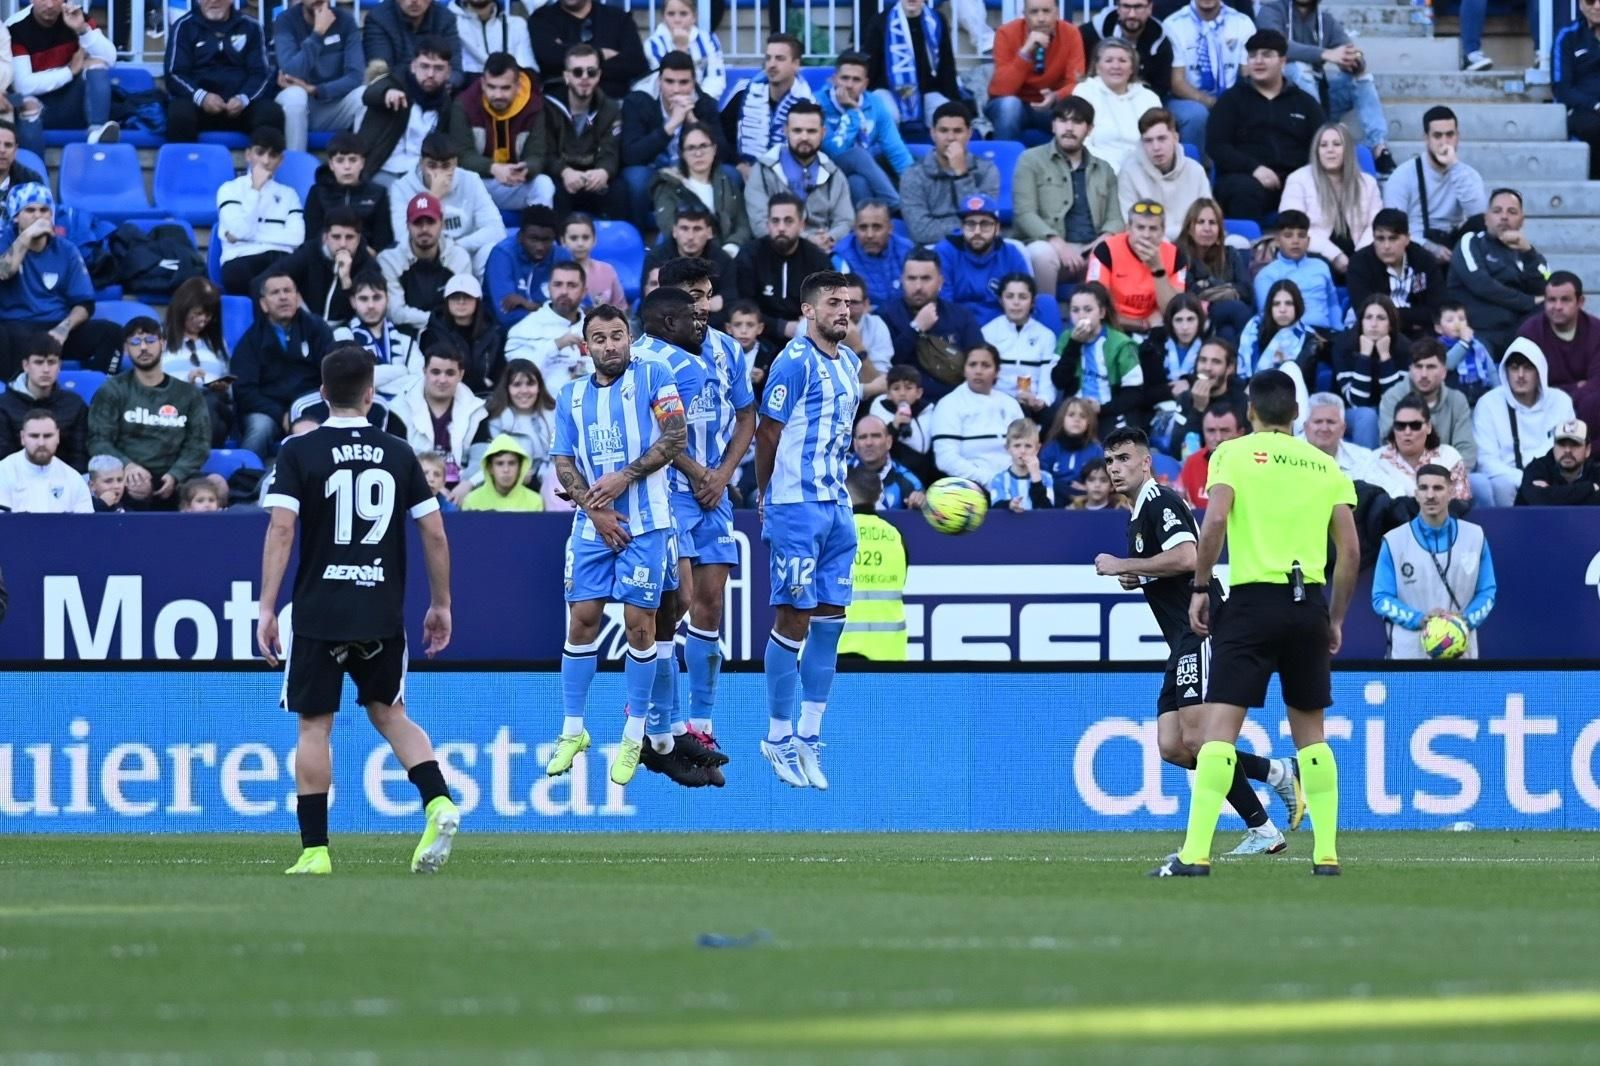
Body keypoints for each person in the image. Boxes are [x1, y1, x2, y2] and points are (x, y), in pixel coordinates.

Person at [257, 345, 460, 877]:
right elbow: (435, 534)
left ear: (323, 394)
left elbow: (281, 528)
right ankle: (438, 800)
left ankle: (315, 851)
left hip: (321, 608)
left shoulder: (298, 451)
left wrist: (267, 607)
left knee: (313, 727)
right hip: (381, 606)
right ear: (371, 393)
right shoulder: (399, 452)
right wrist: (440, 604)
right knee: (391, 713)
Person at [1150, 369, 1358, 878]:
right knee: (1312, 736)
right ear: (1295, 415)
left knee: (1219, 734)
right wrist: (1333, 617)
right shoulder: (1324, 464)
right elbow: (1350, 551)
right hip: (1307, 600)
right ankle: (1326, 854)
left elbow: (1216, 520)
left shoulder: (1233, 455)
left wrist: (1200, 587)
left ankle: (1195, 854)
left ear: (1250, 410)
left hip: (1250, 604)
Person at [1099, 426, 1302, 856]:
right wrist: (1139, 575)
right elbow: (1168, 565)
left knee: (1203, 740)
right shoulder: (1138, 515)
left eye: (1124, 458)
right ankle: (1279, 773)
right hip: (1180, 641)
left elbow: (1190, 557)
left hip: (1203, 630)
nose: (1116, 468)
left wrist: (1124, 563)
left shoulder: (1161, 500)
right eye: (1110, 461)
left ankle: (1263, 830)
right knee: (1173, 746)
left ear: (1146, 461)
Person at [544, 304, 687, 787]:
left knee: (639, 626)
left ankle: (633, 733)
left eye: (617, 335)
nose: (609, 345)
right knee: (581, 620)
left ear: (631, 338)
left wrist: (624, 476)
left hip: (646, 525)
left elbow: (675, 434)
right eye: (599, 338)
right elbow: (563, 461)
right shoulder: (571, 396)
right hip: (592, 526)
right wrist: (595, 509)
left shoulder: (654, 375)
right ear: (586, 346)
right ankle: (572, 730)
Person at [754, 270, 861, 790]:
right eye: (833, 302)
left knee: (831, 621)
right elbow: (767, 433)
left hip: (836, 506)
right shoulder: (793, 362)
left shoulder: (853, 364)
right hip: (796, 505)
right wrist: (766, 496)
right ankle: (776, 735)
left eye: (849, 302)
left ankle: (808, 736)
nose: (843, 310)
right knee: (793, 618)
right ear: (808, 311)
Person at [659, 257, 757, 756]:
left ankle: (700, 722)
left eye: (706, 294)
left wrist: (723, 475)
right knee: (674, 601)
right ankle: (657, 714)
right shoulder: (648, 356)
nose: (702, 305)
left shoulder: (727, 351)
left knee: (711, 604)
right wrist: (701, 474)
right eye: (691, 296)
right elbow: (650, 433)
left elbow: (747, 416)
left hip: (714, 494)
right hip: (666, 490)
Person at [1372, 464, 1496, 659]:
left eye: (1438, 488)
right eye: (1424, 488)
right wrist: (1419, 619)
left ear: (1451, 492)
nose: (1430, 495)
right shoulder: (1394, 541)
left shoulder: (1475, 536)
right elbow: (1381, 598)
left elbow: (1487, 592)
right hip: (1409, 656)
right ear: (1416, 493)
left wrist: (1463, 622)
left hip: (1462, 655)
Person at [87, 318, 212, 510]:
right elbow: (98, 440)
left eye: (150, 340)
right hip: (127, 476)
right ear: (126, 349)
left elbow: (199, 444)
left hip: (177, 477)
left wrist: (176, 474)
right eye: (135, 342)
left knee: (216, 485)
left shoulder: (188, 394)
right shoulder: (112, 390)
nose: (143, 347)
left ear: (163, 344)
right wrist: (127, 466)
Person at [1257, 0, 1395, 174]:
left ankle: (1379, 148)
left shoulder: (1325, 20)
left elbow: (1348, 48)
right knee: (1298, 67)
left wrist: (1355, 60)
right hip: (1286, 103)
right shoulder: (1271, 11)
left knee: (1362, 77)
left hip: (1320, 98)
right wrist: (1326, 54)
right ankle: (1318, 138)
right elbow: (1276, 45)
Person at [0, 183, 120, 376]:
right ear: (15, 217)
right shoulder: (4, 242)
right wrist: (25, 238)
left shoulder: (66, 249)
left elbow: (85, 304)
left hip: (55, 325)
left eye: (44, 210)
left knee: (111, 333)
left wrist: (62, 330)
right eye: (30, 210)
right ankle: (14, 397)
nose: (38, 216)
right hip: (15, 326)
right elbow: (3, 272)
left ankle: (97, 391)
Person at [1207, 30, 1325, 225]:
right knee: (1241, 189)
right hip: (1246, 178)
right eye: (1252, 56)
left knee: (1318, 188)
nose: (1258, 61)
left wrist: (1299, 177)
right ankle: (1245, 251)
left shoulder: (1305, 103)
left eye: (1267, 55)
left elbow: (1320, 144)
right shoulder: (1231, 100)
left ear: (1283, 61)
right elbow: (1216, 146)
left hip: (1295, 180)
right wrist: (1254, 169)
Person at [1016, 96, 1124, 299]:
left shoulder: (1104, 169)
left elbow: (1115, 219)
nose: (1069, 127)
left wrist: (1099, 245)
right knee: (1041, 253)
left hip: (1092, 247)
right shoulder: (1030, 160)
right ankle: (1047, 317)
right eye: (1063, 120)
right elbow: (1024, 213)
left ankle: (1110, 323)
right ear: (1053, 125)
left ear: (1089, 129)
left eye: (1077, 122)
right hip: (1051, 245)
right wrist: (1058, 244)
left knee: (1119, 251)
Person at [619, 50, 728, 231]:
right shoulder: (638, 101)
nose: (676, 89)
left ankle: (718, 235)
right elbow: (630, 155)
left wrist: (693, 122)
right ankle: (640, 238)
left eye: (684, 82)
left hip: (693, 169)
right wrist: (670, 126)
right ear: (659, 80)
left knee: (729, 174)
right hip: (653, 169)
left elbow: (723, 153)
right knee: (635, 178)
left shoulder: (704, 103)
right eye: (669, 82)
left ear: (694, 82)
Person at [233, 269, 336, 457]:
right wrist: (280, 414)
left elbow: (333, 373)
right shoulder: (250, 340)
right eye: (275, 293)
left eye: (288, 291)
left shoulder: (318, 328)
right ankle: (245, 478)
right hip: (268, 410)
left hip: (312, 405)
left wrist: (306, 409)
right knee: (259, 429)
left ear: (297, 297)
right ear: (263, 304)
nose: (283, 297)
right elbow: (244, 390)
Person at [1446, 188, 1550, 359]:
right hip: (1479, 332)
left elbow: (1546, 284)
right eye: (1497, 211)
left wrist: (1529, 252)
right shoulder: (1471, 242)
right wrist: (1528, 301)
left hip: (1518, 333)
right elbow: (1481, 284)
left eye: (1512, 212)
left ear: (1522, 221)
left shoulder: (1527, 253)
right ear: (1486, 218)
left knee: (1554, 307)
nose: (1504, 217)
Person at [449, 51, 556, 214]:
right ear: (483, 83)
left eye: (505, 88)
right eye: (491, 87)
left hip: (516, 182)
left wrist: (526, 169)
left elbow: (537, 154)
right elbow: (462, 155)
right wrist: (493, 168)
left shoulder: (534, 106)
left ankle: (537, 233)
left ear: (518, 85)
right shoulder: (464, 104)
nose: (497, 95)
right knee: (453, 180)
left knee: (543, 184)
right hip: (478, 184)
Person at [1471, 338, 1574, 507]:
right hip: (1506, 479)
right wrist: (1523, 479)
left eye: (1527, 368)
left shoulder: (1560, 401)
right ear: (1505, 371)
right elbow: (1485, 460)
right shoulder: (1488, 404)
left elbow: (1565, 449)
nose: (1520, 375)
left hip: (1549, 478)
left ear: (1539, 371)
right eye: (1514, 368)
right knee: (1500, 485)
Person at [7, 0, 120, 150]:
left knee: (97, 63)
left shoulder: (76, 17)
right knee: (28, 105)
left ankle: (97, 132)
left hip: (73, 102)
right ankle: (35, 170)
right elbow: (23, 85)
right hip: (40, 105)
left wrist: (83, 30)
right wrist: (69, 71)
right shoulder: (16, 27)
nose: (49, 5)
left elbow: (110, 58)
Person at [388, 132, 505, 277]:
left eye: (445, 166)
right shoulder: (402, 187)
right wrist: (433, 198)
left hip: (463, 253)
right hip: (424, 257)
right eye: (432, 166)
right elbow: (402, 238)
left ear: (455, 164)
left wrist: (456, 247)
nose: (438, 173)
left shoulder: (471, 180)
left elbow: (497, 230)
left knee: (490, 250)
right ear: (421, 163)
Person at [1380, 106, 1488, 262]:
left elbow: (1479, 214)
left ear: (1458, 136)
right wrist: (1428, 247)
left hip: (1454, 244)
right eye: (1437, 136)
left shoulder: (1467, 175)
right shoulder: (1402, 176)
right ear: (1426, 138)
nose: (1444, 142)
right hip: (1416, 246)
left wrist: (1454, 167)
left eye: (1450, 135)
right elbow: (1393, 226)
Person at [744, 100, 854, 253]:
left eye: (811, 131)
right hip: (777, 250)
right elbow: (760, 224)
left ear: (823, 133)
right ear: (785, 131)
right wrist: (807, 240)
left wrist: (829, 238)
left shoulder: (833, 173)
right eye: (797, 131)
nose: (804, 137)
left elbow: (845, 220)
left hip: (825, 252)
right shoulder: (763, 170)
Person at [165, 0, 283, 143]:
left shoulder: (252, 26)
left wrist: (244, 98)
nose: (214, 1)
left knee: (271, 114)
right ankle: (186, 164)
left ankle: (263, 164)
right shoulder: (183, 27)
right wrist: (202, 97)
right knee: (179, 114)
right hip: (198, 106)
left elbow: (261, 74)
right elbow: (174, 73)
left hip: (241, 107)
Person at [882, 249, 984, 404]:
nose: (918, 286)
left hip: (957, 403)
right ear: (902, 280)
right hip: (903, 404)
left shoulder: (961, 316)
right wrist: (915, 328)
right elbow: (887, 364)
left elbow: (978, 359)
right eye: (911, 278)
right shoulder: (885, 316)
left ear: (940, 282)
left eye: (925, 278)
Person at [1278, 122, 1379, 276]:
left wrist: (1360, 257)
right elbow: (1291, 227)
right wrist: (1334, 255)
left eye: (1337, 144)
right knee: (1318, 264)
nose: (1330, 150)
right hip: (1317, 254)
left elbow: (1376, 225)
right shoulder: (1298, 179)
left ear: (1348, 151)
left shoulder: (1367, 183)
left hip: (1360, 255)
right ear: (1316, 151)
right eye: (1323, 145)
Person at [391, 347, 491, 502]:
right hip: (414, 488)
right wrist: (431, 487)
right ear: (424, 371)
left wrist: (468, 484)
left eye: (450, 373)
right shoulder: (400, 408)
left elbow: (481, 458)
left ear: (461, 374)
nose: (442, 380)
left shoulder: (476, 410)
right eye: (435, 372)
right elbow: (397, 461)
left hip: (461, 491)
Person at [214, 126, 304, 297]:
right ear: (248, 155)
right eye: (260, 153)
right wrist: (255, 190)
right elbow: (240, 230)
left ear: (281, 160)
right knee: (243, 277)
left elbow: (297, 238)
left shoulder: (289, 194)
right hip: (241, 259)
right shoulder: (229, 189)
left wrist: (249, 237)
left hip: (280, 259)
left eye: (273, 155)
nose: (265, 161)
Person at [818, 53, 913, 213]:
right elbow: (834, 150)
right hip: (826, 173)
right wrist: (853, 111)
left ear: (865, 84)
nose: (849, 85)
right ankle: (897, 206)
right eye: (844, 78)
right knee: (857, 155)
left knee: (858, 182)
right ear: (834, 79)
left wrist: (916, 186)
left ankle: (871, 225)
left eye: (856, 80)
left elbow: (896, 150)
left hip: (858, 176)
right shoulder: (818, 103)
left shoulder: (875, 104)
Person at [734, 193, 834, 345]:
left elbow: (829, 303)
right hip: (757, 338)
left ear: (802, 225)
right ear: (767, 224)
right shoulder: (750, 255)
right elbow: (741, 304)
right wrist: (781, 327)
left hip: (806, 337)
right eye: (775, 221)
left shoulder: (817, 260)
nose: (781, 228)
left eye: (788, 221)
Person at [355, 37, 457, 186]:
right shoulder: (395, 82)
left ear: (448, 72)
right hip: (383, 170)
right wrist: (387, 93)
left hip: (422, 175)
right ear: (413, 66)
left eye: (438, 68)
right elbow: (369, 93)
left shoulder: (446, 103)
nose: (430, 74)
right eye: (424, 66)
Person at [986, 0, 1087, 145]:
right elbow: (1001, 90)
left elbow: (1076, 83)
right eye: (1034, 12)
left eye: (1046, 11)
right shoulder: (1005, 33)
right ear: (1025, 15)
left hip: (1051, 106)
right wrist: (1025, 52)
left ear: (1056, 13)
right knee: (1009, 106)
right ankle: (1006, 164)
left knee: (1076, 109)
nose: (1041, 18)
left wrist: (1056, 96)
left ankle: (1067, 164)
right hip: (1014, 104)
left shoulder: (1071, 33)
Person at [899, 102, 1000, 246]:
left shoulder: (987, 170)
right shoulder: (913, 175)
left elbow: (983, 221)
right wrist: (966, 227)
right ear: (933, 133)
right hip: (934, 248)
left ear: (969, 133)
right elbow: (920, 231)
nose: (950, 137)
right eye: (943, 130)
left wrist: (961, 175)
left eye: (958, 131)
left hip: (978, 245)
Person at [273, 0, 366, 154]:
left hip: (334, 106)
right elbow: (290, 72)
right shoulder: (286, 20)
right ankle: (296, 165)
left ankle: (359, 169)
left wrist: (315, 89)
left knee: (365, 95)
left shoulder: (346, 21)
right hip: (297, 107)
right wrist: (318, 33)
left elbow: (355, 76)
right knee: (295, 95)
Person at [1162, 0, 1256, 151]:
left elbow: (1248, 74)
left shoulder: (1242, 22)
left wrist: (1232, 102)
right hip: (1185, 98)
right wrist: (1212, 102)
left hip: (1232, 95)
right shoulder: (1173, 24)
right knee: (1196, 115)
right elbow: (1176, 82)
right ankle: (1196, 168)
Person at [544, 43, 625, 217]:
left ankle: (618, 242)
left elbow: (611, 149)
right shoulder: (547, 106)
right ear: (566, 76)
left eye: (591, 72)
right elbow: (545, 151)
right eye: (577, 72)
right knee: (550, 187)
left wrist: (603, 171)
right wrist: (564, 171)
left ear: (599, 76)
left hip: (593, 176)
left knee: (619, 189)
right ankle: (560, 241)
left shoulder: (610, 108)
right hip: (561, 176)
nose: (585, 77)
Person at [1085, 198, 1187, 334]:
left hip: (1156, 326)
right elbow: (1094, 305)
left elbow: (1173, 310)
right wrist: (1140, 324)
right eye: (1140, 227)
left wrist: (1157, 269)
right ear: (1128, 229)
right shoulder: (1105, 250)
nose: (1146, 235)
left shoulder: (1176, 256)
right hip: (1113, 325)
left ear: (1163, 231)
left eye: (1153, 229)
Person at [837, 465, 908, 660]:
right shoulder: (895, 536)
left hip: (837, 650)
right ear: (878, 494)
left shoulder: (833, 533)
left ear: (844, 491)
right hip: (888, 653)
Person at [651, 121, 750, 257]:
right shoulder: (668, 185)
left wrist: (732, 246)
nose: (698, 153)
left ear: (714, 149)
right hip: (686, 259)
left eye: (703, 146)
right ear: (682, 154)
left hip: (728, 256)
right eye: (691, 148)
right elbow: (670, 230)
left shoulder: (726, 181)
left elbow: (743, 223)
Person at [930, 344, 1025, 483]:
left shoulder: (1010, 403)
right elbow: (946, 459)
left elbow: (1025, 447)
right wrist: (991, 481)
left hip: (1013, 480)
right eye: (972, 365)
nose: (978, 371)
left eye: (985, 365)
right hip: (971, 485)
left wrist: (1014, 478)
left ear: (997, 371)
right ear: (964, 370)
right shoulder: (949, 404)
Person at [1517, 271, 1600, 431]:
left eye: (1565, 300)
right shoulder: (1529, 334)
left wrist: (1566, 391)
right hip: (1543, 410)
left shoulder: (1596, 331)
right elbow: (1530, 386)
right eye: (1551, 300)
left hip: (1590, 408)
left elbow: (1597, 382)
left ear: (1580, 302)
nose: (1557, 307)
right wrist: (1575, 388)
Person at [379, 192, 474, 331]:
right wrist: (433, 320)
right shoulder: (389, 259)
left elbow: (464, 308)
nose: (424, 229)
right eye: (417, 222)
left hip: (450, 331)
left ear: (442, 223)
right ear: (407, 225)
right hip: (405, 332)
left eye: (430, 222)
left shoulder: (458, 257)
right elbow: (395, 313)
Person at [1346, 208, 1446, 340]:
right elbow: (1365, 310)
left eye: (1393, 238)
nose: (1386, 246)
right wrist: (1414, 321)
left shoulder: (1423, 259)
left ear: (1407, 239)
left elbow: (1437, 309)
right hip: (1372, 334)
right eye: (1380, 239)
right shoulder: (1359, 263)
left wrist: (1390, 316)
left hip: (1419, 336)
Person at [266, 208, 376, 326]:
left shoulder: (367, 264)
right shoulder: (309, 252)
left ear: (358, 238)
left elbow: (366, 312)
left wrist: (346, 280)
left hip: (346, 331)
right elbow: (264, 280)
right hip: (305, 324)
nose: (343, 244)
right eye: (336, 237)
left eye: (349, 237)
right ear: (325, 237)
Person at [936, 195, 1032, 328]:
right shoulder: (945, 252)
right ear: (962, 227)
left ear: (997, 228)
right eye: (970, 224)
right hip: (957, 328)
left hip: (1003, 328)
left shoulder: (1011, 254)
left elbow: (1024, 299)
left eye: (985, 224)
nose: (977, 231)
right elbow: (943, 303)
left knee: (1045, 304)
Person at [1053, 282, 1144, 424]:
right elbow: (1059, 380)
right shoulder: (1066, 338)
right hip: (1074, 414)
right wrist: (1074, 344)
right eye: (1075, 310)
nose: (1081, 316)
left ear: (1102, 312)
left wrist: (1101, 409)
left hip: (1109, 412)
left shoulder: (1121, 343)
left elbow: (1134, 394)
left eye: (1088, 310)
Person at [863, 0, 961, 130]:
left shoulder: (936, 21)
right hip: (887, 89)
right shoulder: (881, 21)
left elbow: (946, 64)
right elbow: (871, 65)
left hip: (927, 91)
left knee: (948, 117)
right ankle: (889, 150)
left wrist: (954, 100)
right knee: (889, 115)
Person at [721, 33, 814, 170]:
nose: (771, 65)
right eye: (768, 58)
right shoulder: (744, 92)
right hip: (745, 170)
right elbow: (720, 135)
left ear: (796, 64)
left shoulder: (809, 104)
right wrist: (739, 163)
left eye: (779, 59)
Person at [1118, 109, 1212, 242]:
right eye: (1148, 141)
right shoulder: (1129, 173)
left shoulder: (1196, 171)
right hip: (1149, 246)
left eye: (1161, 139)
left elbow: (1206, 220)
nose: (1156, 147)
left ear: (1175, 138)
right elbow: (1130, 226)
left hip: (1192, 245)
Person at [1377, 338, 1474, 468]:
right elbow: (1389, 444)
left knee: (1480, 482)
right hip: (1402, 473)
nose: (1423, 374)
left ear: (1444, 372)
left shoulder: (1457, 400)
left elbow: (1466, 448)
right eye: (1418, 366)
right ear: (1410, 369)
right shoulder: (1393, 397)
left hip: (1447, 474)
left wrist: (1448, 478)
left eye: (1431, 367)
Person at [1070, 40, 1163, 174]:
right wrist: (1112, 170)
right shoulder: (1084, 92)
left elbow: (1158, 139)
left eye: (1122, 61)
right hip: (1098, 171)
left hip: (1143, 170)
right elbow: (1081, 141)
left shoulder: (1149, 97)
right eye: (1109, 60)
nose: (1116, 66)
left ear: (1132, 68)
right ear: (1097, 67)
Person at [1332, 293, 1411, 447]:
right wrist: (1364, 356)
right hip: (1349, 412)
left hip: (1389, 412)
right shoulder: (1344, 345)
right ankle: (1366, 469)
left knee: (1392, 416)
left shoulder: (1404, 347)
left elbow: (1397, 401)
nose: (1373, 324)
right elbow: (1357, 401)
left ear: (1391, 323)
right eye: (1368, 317)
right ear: (1361, 321)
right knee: (1368, 416)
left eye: (1381, 318)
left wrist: (1385, 356)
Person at [529, 0, 647, 102]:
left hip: (614, 106)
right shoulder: (541, 19)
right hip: (560, 109)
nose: (585, 77)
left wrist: (568, 55)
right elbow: (549, 58)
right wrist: (601, 54)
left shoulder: (619, 18)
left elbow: (636, 64)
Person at [1364, 393, 1471, 505]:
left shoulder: (1449, 457)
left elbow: (1460, 505)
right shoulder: (1375, 460)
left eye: (1415, 425)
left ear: (1429, 427)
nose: (1407, 432)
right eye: (1400, 426)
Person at [0, 335, 87, 471]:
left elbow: (79, 455)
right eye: (39, 362)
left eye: (51, 362)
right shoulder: (3, 405)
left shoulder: (74, 404)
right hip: (14, 482)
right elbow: (3, 456)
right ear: (26, 366)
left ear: (59, 366)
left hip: (64, 482)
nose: (46, 369)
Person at [335, 270, 423, 399]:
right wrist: (401, 371)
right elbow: (351, 380)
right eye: (363, 299)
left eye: (377, 298)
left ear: (387, 299)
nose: (371, 305)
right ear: (353, 302)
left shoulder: (406, 341)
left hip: (403, 414)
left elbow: (420, 383)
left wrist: (372, 379)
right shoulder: (343, 336)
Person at [1175, 197, 1252, 341]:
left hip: (1223, 317)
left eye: (1212, 223)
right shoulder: (1179, 254)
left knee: (1227, 333)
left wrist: (1209, 285)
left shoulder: (1231, 254)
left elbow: (1247, 291)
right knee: (1238, 309)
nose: (1207, 228)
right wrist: (1227, 289)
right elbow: (1191, 292)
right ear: (1190, 228)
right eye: (1200, 222)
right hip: (1194, 313)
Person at [305, 133, 395, 254]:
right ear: (331, 164)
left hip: (366, 259)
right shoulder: (317, 192)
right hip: (325, 258)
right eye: (340, 160)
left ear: (362, 163)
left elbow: (383, 241)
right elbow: (311, 237)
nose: (347, 166)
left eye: (353, 160)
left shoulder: (378, 193)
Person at [983, 273, 1058, 414]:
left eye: (1022, 297)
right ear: (1001, 300)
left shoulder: (1046, 336)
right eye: (1009, 296)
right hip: (996, 405)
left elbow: (1047, 383)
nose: (1016, 302)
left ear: (1032, 301)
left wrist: (1040, 401)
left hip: (1034, 406)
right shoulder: (987, 333)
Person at [505, 260, 589, 387]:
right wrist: (555, 345)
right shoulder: (524, 329)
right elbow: (519, 376)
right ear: (548, 288)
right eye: (558, 284)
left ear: (584, 291)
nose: (564, 291)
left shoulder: (593, 328)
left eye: (572, 285)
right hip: (546, 405)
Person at [1252, 210, 1339, 331]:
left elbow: (1333, 305)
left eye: (1301, 235)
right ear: (1277, 240)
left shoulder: (1321, 266)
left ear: (1308, 241)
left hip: (1324, 335)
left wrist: (1338, 330)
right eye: (1288, 235)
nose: (1295, 241)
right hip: (1287, 336)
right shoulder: (1266, 275)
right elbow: (1267, 317)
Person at [482, 206, 566, 330]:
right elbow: (507, 316)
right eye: (534, 239)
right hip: (505, 336)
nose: (540, 247)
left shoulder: (562, 257)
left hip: (558, 334)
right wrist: (555, 315)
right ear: (520, 235)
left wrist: (530, 306)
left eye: (546, 240)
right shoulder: (503, 255)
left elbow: (579, 308)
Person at [423, 273, 505, 394]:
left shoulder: (494, 333)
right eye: (455, 297)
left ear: (477, 301)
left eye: (467, 297)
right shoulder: (432, 334)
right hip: (447, 397)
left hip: (487, 398)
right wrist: (480, 382)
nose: (461, 302)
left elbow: (500, 374)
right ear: (447, 301)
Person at [643, 207, 737, 311]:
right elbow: (648, 302)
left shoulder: (722, 261)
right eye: (684, 228)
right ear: (674, 231)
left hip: (712, 323)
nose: (690, 236)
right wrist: (704, 305)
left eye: (697, 229)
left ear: (710, 232)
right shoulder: (656, 259)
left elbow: (731, 303)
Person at [1079, 0, 1176, 100]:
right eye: (1126, 6)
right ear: (1118, 8)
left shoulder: (1160, 41)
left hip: (1142, 102)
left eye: (1138, 7)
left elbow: (1160, 87)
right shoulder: (1090, 34)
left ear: (1149, 8)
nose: (1132, 14)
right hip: (1097, 98)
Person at [0, 409, 92, 513]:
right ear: (22, 437)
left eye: (48, 436)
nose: (41, 443)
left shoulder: (73, 479)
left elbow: (86, 526)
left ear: (57, 436)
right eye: (34, 436)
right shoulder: (3, 473)